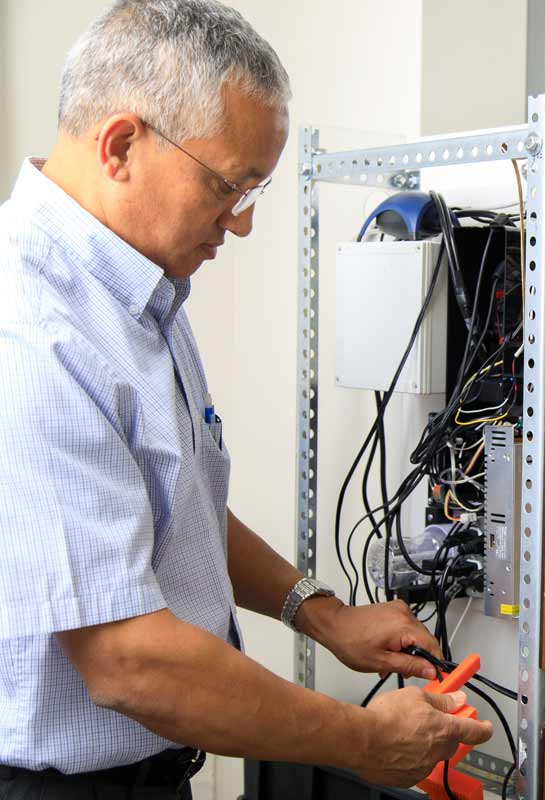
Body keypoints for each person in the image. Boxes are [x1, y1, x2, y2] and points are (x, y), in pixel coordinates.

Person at [0, 2, 491, 797]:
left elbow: (173, 503)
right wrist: (363, 739)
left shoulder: (143, 292)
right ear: (122, 144)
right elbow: (129, 661)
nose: (246, 221)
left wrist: (321, 614)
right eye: (230, 185)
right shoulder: (30, 330)